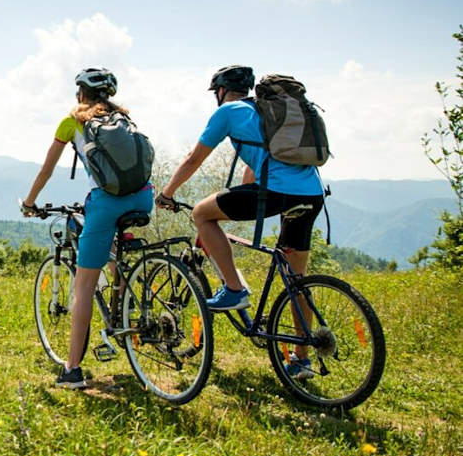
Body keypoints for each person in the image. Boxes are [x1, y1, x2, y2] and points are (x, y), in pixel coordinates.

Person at [155, 65, 324, 379]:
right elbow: (256, 166)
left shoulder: (228, 112)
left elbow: (194, 158)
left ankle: (234, 289)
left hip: (277, 192)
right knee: (296, 276)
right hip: (312, 193)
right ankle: (301, 359)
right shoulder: (264, 112)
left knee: (202, 214)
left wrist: (168, 192)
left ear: (220, 91)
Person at [21, 67, 154, 388]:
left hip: (106, 202)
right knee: (113, 246)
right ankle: (124, 303)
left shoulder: (72, 122)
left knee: (83, 287)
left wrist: (29, 202)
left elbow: (47, 168)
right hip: (144, 198)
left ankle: (72, 370)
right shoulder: (124, 119)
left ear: (80, 93)